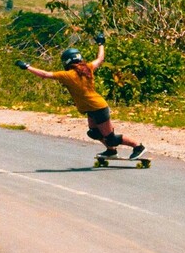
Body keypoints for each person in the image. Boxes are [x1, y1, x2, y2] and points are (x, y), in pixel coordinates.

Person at [17, 34, 146, 159]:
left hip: (98, 108)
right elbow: (100, 59)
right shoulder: (88, 68)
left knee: (111, 138)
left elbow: (45, 74)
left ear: (66, 61)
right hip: (91, 108)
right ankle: (111, 151)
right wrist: (101, 43)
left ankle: (138, 146)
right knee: (94, 132)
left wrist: (28, 67)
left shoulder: (67, 75)